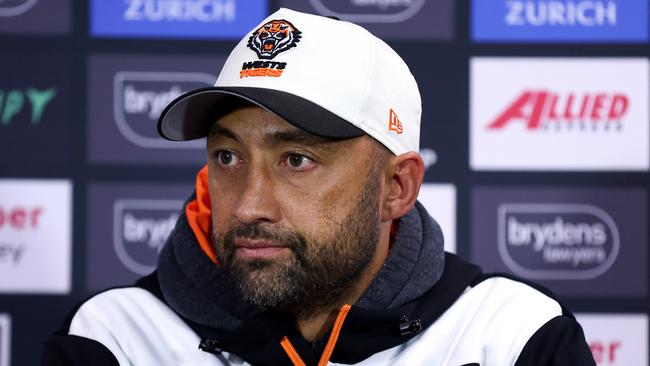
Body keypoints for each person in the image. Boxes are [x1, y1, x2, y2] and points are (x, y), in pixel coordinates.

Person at [43, 8, 595, 366]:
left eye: (297, 159)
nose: (249, 204)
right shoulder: (114, 337)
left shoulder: (512, 337)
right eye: (228, 156)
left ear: (396, 187)